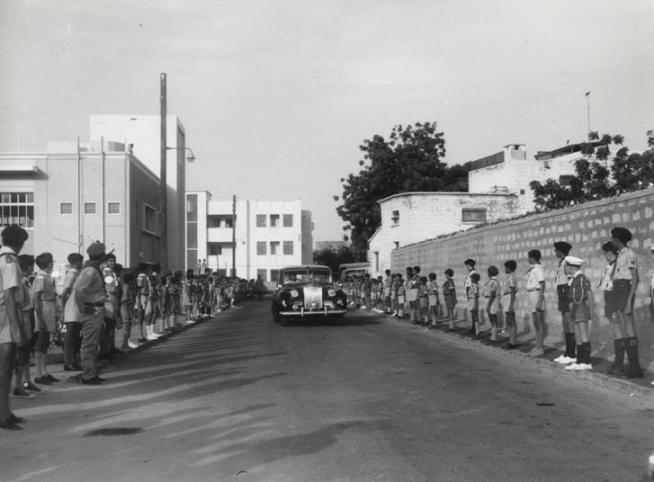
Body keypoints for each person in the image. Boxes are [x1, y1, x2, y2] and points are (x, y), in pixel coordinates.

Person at [0, 225, 29, 430]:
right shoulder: (9, 261)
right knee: (4, 367)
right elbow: (9, 296)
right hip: (5, 314)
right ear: (19, 243)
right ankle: (3, 415)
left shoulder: (3, 258)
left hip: (5, 312)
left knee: (7, 367)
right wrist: (17, 329)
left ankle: (6, 411)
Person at [72, 242, 108, 385]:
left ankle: (91, 372)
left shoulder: (92, 269)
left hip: (96, 309)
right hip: (92, 310)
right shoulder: (91, 271)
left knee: (93, 344)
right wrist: (83, 308)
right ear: (101, 256)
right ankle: (88, 375)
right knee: (89, 344)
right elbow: (79, 290)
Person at [611, 227, 643, 378]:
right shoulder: (620, 254)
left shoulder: (630, 254)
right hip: (618, 289)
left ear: (617, 240)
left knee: (629, 328)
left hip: (625, 290)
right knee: (624, 328)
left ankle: (635, 369)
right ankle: (630, 367)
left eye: (612, 238)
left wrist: (629, 301)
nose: (611, 241)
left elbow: (636, 278)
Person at [32, 252, 58, 385]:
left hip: (49, 309)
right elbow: (36, 299)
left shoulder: (47, 277)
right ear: (48, 264)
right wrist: (40, 319)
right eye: (51, 262)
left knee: (45, 343)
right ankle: (38, 374)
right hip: (43, 310)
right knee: (40, 343)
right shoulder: (41, 278)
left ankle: (44, 372)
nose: (52, 264)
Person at [564, 256, 593, 371]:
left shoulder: (582, 279)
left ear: (572, 268)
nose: (566, 269)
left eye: (567, 267)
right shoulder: (574, 279)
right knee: (577, 335)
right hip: (574, 308)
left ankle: (587, 361)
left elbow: (589, 294)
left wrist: (591, 311)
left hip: (581, 307)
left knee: (583, 334)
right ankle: (580, 360)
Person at [14, 254, 38, 396]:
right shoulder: (20, 283)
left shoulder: (26, 281)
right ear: (29, 267)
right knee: (21, 352)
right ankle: (18, 385)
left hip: (28, 316)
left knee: (27, 351)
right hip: (22, 317)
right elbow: (19, 303)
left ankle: (27, 380)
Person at [599, 242, 622, 374]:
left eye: (605, 253)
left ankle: (619, 364)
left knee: (618, 332)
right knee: (615, 332)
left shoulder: (617, 266)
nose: (604, 256)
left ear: (609, 253)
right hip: (609, 301)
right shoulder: (610, 266)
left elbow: (617, 289)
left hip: (614, 302)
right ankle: (617, 363)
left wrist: (614, 309)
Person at [553, 241, 576, 366]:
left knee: (569, 322)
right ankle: (567, 352)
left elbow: (571, 279)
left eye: (556, 250)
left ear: (560, 251)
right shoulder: (561, 262)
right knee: (565, 323)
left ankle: (572, 354)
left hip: (566, 291)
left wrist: (570, 296)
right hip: (561, 291)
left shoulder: (567, 262)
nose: (555, 252)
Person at [62, 253, 83, 371]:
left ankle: (75, 361)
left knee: (76, 337)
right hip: (71, 309)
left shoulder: (78, 274)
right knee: (69, 338)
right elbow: (65, 293)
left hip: (77, 308)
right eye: (80, 261)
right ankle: (68, 362)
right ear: (76, 262)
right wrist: (63, 309)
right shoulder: (71, 274)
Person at [526, 249, 546, 357]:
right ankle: (537, 345)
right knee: (535, 322)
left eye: (529, 257)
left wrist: (539, 301)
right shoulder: (533, 269)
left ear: (532, 257)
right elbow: (526, 276)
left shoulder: (538, 269)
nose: (528, 259)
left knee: (539, 322)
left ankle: (540, 348)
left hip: (537, 294)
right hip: (532, 294)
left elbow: (542, 284)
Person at [502, 260, 519, 349]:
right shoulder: (509, 277)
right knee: (508, 321)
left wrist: (511, 305)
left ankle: (513, 342)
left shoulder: (512, 277)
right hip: (507, 299)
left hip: (510, 300)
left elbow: (512, 292)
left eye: (505, 267)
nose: (504, 269)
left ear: (509, 268)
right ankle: (510, 340)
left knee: (511, 321)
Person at [120, 271, 138, 350]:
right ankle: (124, 344)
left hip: (129, 307)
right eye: (132, 280)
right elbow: (124, 299)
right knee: (126, 325)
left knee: (128, 325)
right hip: (126, 307)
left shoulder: (129, 287)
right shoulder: (126, 287)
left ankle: (127, 342)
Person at [484, 266, 501, 342]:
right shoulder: (491, 281)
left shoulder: (494, 282)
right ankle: (492, 336)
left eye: (488, 272)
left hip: (492, 302)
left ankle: (494, 337)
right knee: (491, 318)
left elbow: (492, 294)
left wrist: (488, 305)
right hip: (490, 301)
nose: (487, 273)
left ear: (490, 272)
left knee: (493, 318)